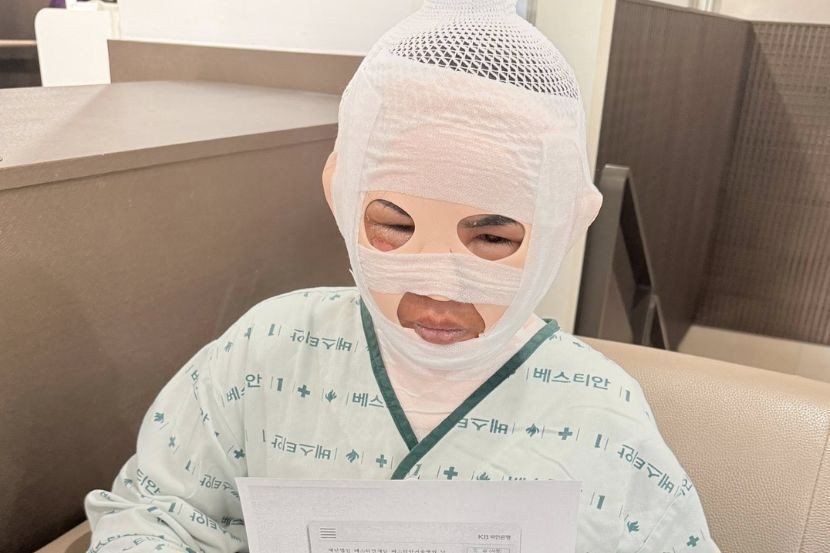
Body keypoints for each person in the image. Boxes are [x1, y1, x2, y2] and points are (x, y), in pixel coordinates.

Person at [84, 1, 721, 551]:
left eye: (492, 238)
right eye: (395, 226)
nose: (439, 287)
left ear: (564, 224)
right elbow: (153, 512)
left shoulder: (598, 412)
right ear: (342, 194)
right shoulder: (268, 351)